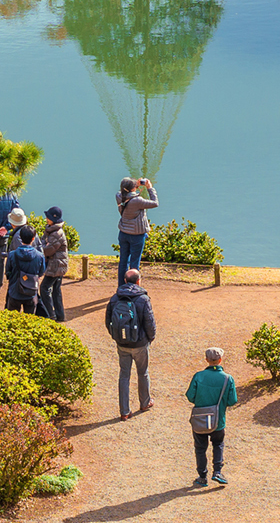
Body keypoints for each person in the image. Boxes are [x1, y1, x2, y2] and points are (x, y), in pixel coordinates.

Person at [107, 267, 157, 421]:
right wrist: (150, 338)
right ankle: (144, 403)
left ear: (124, 281)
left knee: (124, 375)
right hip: (140, 343)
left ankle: (124, 411)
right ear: (138, 281)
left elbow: (108, 321)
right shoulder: (143, 299)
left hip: (122, 344)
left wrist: (117, 337)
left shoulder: (115, 298)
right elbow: (150, 323)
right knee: (143, 373)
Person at [185, 346, 237, 488]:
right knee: (218, 444)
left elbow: (190, 396)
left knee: (200, 448)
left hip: (200, 419)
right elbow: (232, 401)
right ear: (220, 360)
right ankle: (218, 472)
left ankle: (202, 476)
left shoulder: (198, 376)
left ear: (207, 359)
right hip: (218, 420)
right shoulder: (228, 378)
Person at [116, 176, 158, 282]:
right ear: (132, 188)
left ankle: (121, 287)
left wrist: (134, 186)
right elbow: (155, 203)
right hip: (137, 235)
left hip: (123, 233)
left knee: (123, 261)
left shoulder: (119, 196)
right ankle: (133, 288)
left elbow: (123, 192)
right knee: (134, 263)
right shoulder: (138, 201)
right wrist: (149, 188)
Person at [4, 224, 46, 315]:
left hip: (15, 290)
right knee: (29, 320)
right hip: (31, 292)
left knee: (12, 319)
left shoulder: (12, 255)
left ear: (20, 238)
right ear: (33, 239)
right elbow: (41, 271)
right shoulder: (40, 256)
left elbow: (8, 271)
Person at [38, 207, 70, 322]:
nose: (46, 219)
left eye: (48, 217)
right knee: (56, 290)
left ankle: (50, 314)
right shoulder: (51, 230)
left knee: (44, 288)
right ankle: (59, 315)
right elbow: (43, 243)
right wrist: (44, 244)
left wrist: (42, 246)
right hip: (58, 265)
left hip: (55, 266)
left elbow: (48, 250)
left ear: (53, 219)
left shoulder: (57, 233)